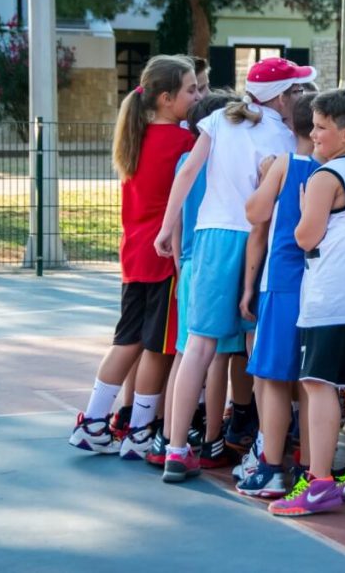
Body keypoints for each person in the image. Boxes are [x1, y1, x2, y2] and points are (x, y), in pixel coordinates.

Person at [153, 57, 317, 483]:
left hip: (212, 235)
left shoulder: (221, 121)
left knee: (198, 346)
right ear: (281, 97)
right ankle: (266, 446)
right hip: (258, 238)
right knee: (256, 347)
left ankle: (175, 448)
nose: (300, 96)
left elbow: (188, 172)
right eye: (296, 90)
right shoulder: (285, 137)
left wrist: (168, 227)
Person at [69, 54, 197, 456]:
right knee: (158, 348)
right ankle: (140, 431)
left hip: (134, 253)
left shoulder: (134, 138)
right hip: (163, 257)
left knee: (126, 341)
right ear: (166, 98)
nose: (197, 97)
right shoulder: (184, 142)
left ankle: (93, 421)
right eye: (191, 90)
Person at [268, 89, 345, 517]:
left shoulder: (324, 177)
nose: (313, 134)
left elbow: (305, 237)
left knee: (318, 384)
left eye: (321, 127)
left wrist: (303, 209)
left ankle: (318, 482)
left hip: (330, 291)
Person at [235, 92, 319, 498]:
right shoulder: (337, 167)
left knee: (272, 379)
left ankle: (270, 467)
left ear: (291, 126)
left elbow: (254, 213)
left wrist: (267, 175)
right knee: (310, 381)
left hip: (283, 280)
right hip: (318, 283)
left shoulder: (287, 163)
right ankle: (309, 465)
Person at [145, 91, 237, 467]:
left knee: (185, 354)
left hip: (190, 262)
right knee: (216, 359)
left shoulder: (187, 160)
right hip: (218, 258)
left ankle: (168, 437)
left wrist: (180, 264)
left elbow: (180, 220)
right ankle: (213, 438)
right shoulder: (225, 162)